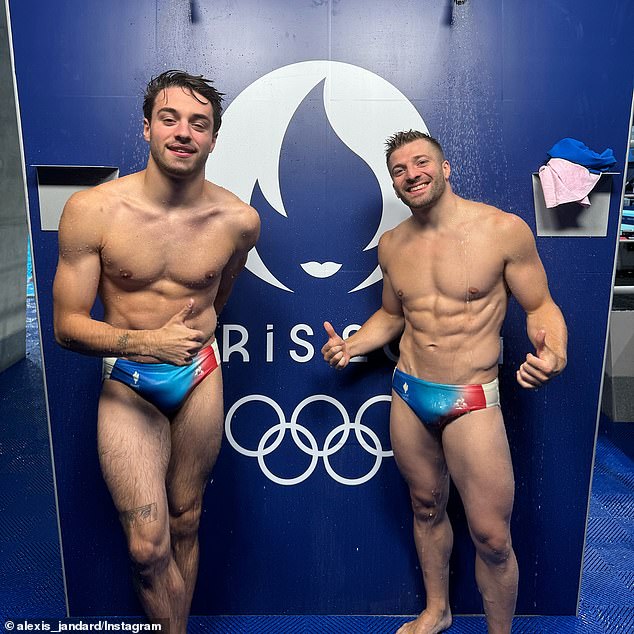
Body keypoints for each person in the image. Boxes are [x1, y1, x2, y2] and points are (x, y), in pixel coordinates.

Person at [322, 130, 567, 634]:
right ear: (393, 182)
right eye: (399, 170)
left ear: (446, 166)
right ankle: (438, 611)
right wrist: (352, 345)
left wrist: (554, 353)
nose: (411, 174)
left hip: (471, 397)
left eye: (421, 162)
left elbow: (540, 307)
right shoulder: (392, 245)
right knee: (426, 506)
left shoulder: (502, 231)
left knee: (493, 538)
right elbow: (391, 317)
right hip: (410, 392)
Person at [53, 70, 260, 633]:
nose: (183, 133)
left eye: (200, 124)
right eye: (169, 119)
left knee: (187, 519)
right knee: (148, 547)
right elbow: (66, 327)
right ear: (147, 127)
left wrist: (186, 342)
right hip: (129, 380)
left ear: (214, 138)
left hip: (199, 376)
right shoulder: (92, 211)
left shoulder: (239, 222)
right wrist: (148, 342)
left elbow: (218, 296)